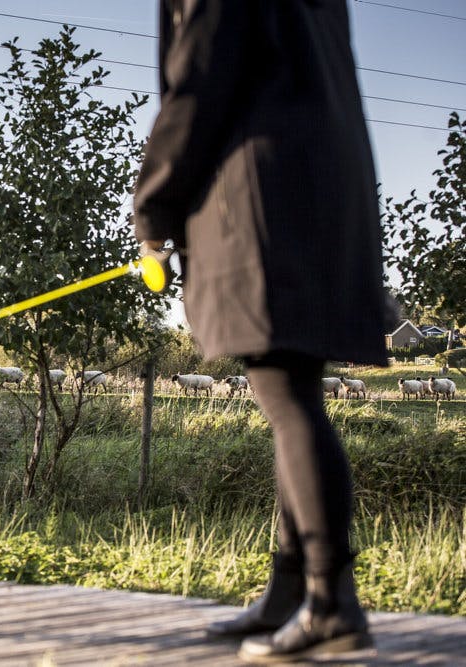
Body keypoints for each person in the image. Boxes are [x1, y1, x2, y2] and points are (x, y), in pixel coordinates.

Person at [131, 1, 390, 663]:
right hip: (327, 176)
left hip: (259, 187)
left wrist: (153, 204)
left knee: (285, 394)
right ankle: (288, 588)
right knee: (292, 387)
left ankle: (332, 601)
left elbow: (200, 75)